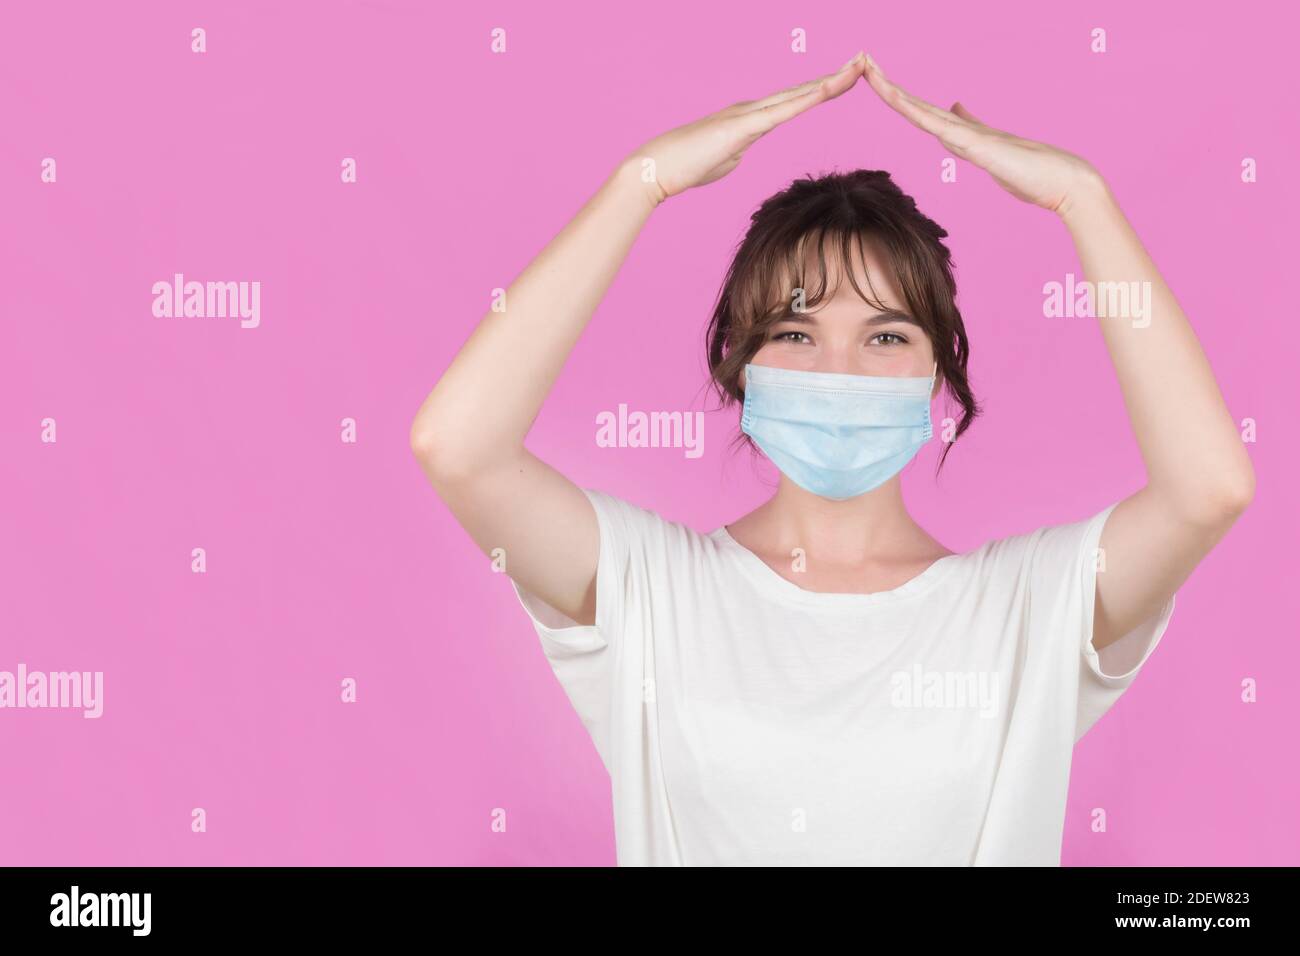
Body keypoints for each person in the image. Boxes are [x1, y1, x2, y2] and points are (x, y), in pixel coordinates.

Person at [409, 53, 1254, 865]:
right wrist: (646, 180)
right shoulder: (651, 589)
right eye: (796, 333)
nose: (839, 370)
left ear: (938, 367)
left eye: (885, 335)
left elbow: (1207, 489)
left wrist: (1083, 199)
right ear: (740, 362)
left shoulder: (1025, 608)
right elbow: (459, 447)